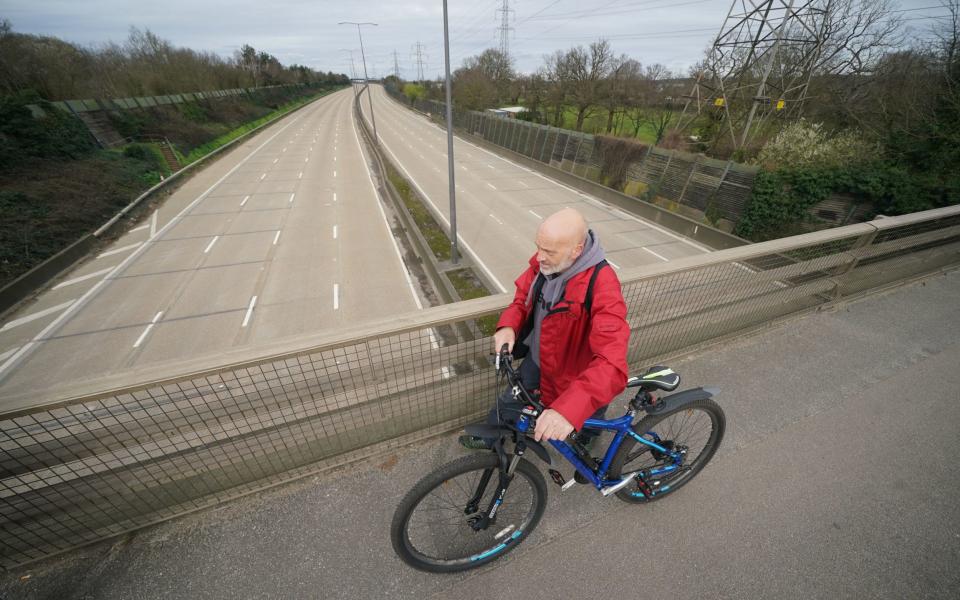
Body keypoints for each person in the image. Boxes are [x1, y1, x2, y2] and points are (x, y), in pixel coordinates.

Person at [459, 207, 630, 452]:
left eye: (548, 250)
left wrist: (567, 412)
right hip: (538, 359)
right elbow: (522, 300)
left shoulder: (602, 284)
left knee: (591, 408)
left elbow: (612, 364)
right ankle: (492, 435)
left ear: (576, 250)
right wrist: (509, 326)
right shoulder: (546, 265)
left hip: (575, 371)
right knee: (510, 400)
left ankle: (590, 433)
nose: (538, 256)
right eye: (538, 246)